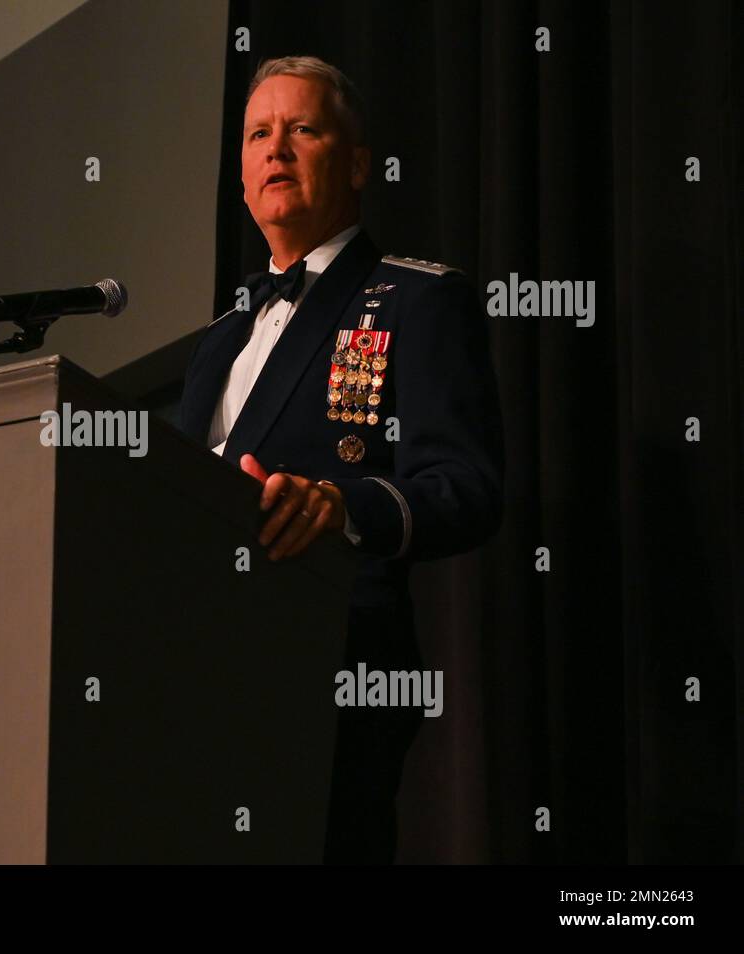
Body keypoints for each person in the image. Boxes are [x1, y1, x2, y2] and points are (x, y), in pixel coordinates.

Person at [178, 56, 504, 863]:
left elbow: (466, 487)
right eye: (259, 134)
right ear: (244, 177)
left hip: (327, 668)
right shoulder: (220, 337)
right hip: (186, 672)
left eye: (303, 129)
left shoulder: (418, 300)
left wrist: (341, 506)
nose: (275, 148)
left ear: (357, 164)